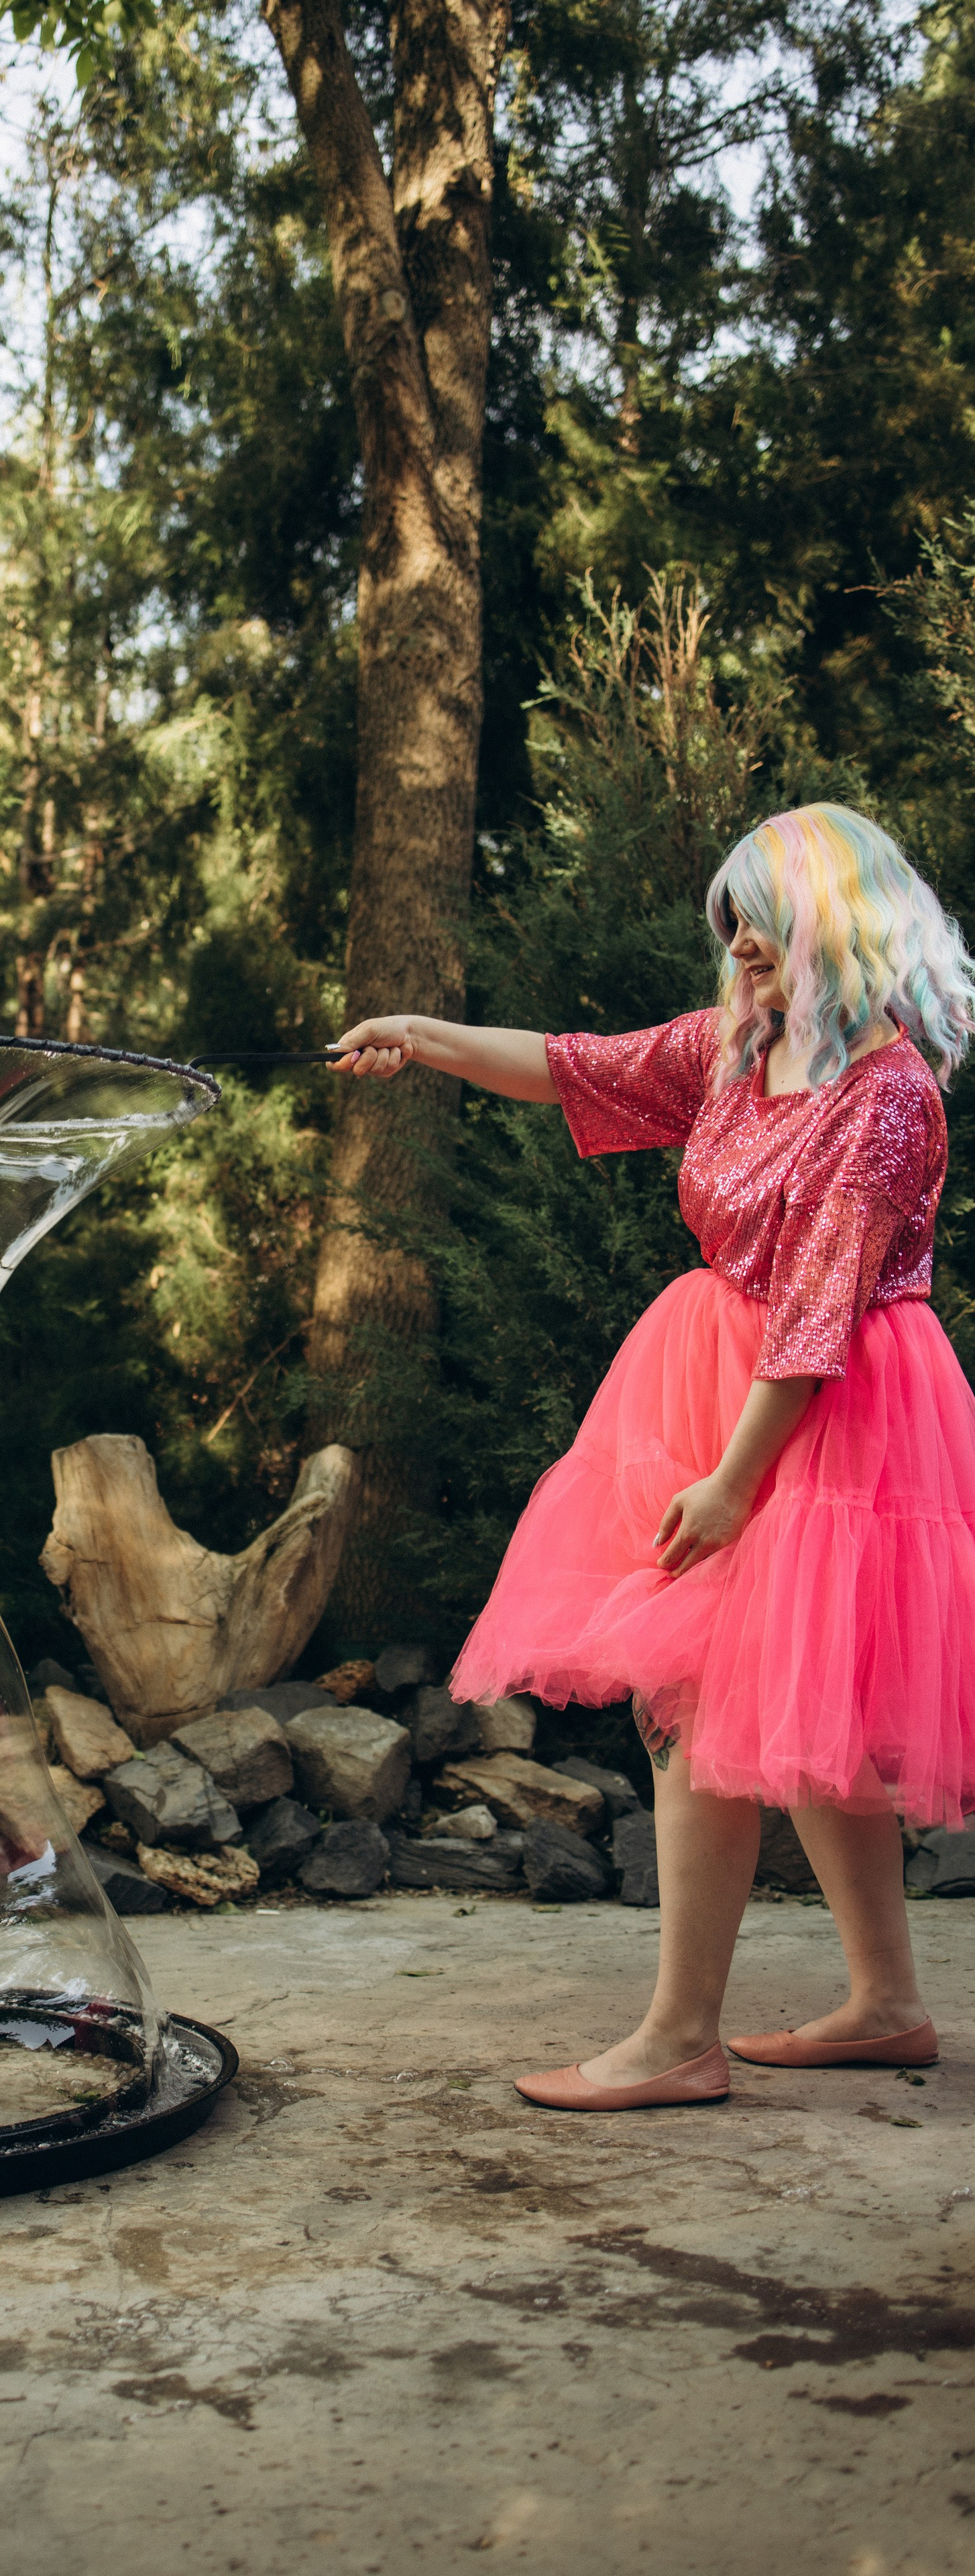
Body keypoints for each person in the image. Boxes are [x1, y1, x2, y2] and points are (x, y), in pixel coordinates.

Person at [333, 803, 975, 2109]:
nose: (736, 941)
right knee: (790, 1705)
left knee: (698, 1699)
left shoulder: (886, 1093)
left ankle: (680, 2038)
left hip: (824, 1405)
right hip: (723, 1374)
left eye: (759, 917)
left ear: (830, 925)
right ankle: (886, 2003)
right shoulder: (741, 1047)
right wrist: (423, 1039)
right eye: (727, 917)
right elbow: (578, 1064)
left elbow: (818, 1311)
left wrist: (734, 1482)